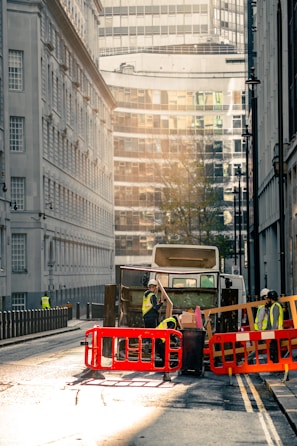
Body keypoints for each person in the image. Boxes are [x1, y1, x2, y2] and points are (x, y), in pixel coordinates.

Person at [155, 316, 179, 381]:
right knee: (164, 353)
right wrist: (175, 340)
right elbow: (169, 332)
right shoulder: (173, 322)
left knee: (162, 353)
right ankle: (165, 368)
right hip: (160, 337)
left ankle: (164, 367)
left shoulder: (169, 320)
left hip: (156, 335)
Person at [267, 290, 284, 363]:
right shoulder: (274, 306)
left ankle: (277, 365)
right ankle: (276, 364)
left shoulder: (276, 306)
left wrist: (273, 331)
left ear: (271, 298)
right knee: (274, 349)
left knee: (275, 350)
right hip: (277, 331)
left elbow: (275, 320)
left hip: (277, 332)